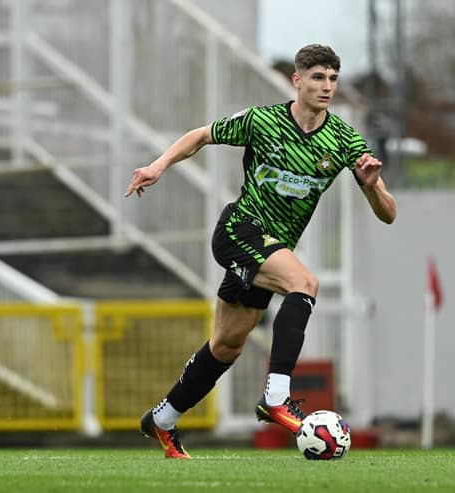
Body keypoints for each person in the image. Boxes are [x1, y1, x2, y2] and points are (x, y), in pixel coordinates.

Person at [125, 44, 397, 459]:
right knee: (304, 283)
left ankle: (162, 420)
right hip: (238, 231)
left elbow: (389, 215)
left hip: (270, 251)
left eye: (333, 79)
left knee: (226, 345)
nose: (326, 87)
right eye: (318, 77)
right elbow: (201, 136)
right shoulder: (262, 121)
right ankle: (276, 396)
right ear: (297, 80)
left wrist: (372, 185)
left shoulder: (344, 141)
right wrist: (158, 166)